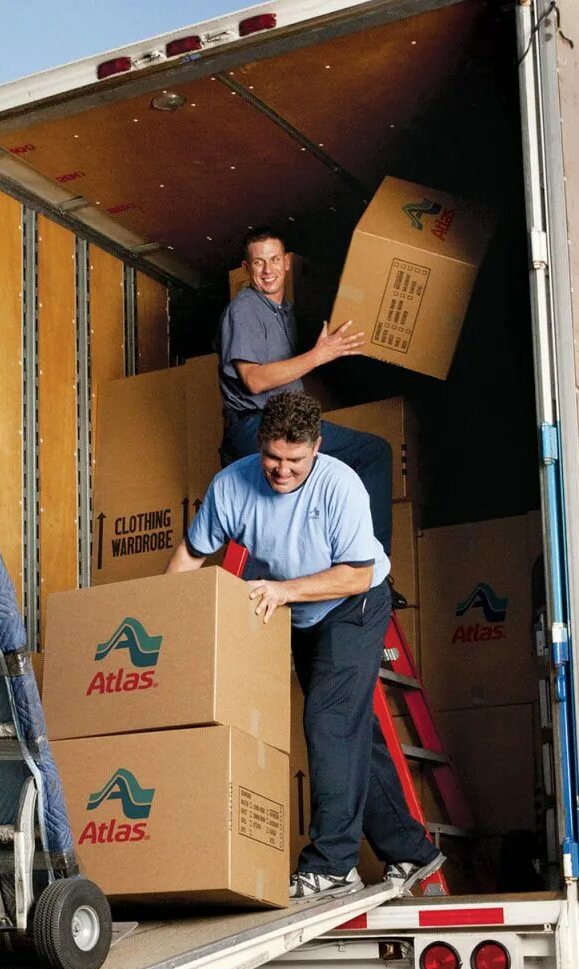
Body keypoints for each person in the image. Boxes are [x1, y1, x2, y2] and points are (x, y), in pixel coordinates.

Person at [167, 391, 443, 900]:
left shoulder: (340, 486)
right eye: (272, 456)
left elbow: (358, 574)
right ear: (260, 443)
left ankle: (333, 863)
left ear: (316, 448)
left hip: (351, 605)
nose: (282, 470)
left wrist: (283, 590)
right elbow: (191, 553)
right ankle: (412, 851)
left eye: (295, 460)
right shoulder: (232, 485)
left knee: (328, 721)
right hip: (298, 614)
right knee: (352, 733)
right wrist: (165, 620)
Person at [218, 226, 399, 570]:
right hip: (256, 429)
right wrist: (319, 355)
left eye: (274, 260)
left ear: (287, 263)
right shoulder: (245, 310)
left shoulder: (282, 311)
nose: (268, 270)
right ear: (246, 268)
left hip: (282, 425)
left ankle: (340, 561)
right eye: (259, 263)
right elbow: (254, 380)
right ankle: (371, 564)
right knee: (373, 453)